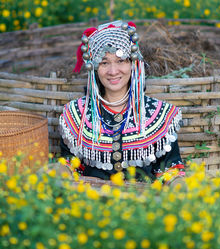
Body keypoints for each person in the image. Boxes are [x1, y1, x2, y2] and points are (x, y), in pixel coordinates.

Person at [59, 20, 184, 185]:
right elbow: (70, 166)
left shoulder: (159, 115)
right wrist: (58, 172)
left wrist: (179, 186)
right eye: (104, 62)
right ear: (94, 68)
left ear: (133, 64)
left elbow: (170, 171)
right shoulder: (76, 116)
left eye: (121, 61)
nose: (112, 71)